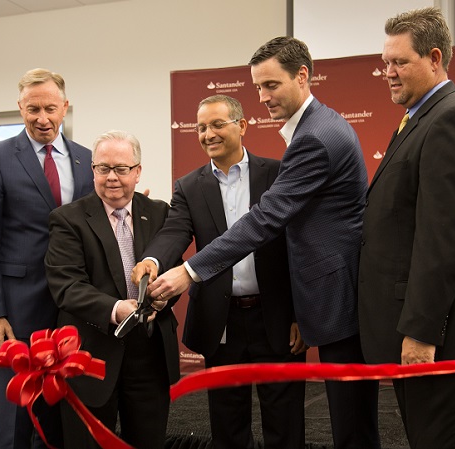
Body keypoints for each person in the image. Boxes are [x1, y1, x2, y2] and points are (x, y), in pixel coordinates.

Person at [147, 37, 381, 449]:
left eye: (271, 85)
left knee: (344, 425)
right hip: (232, 319)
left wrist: (189, 270)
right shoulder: (316, 128)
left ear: (302, 76)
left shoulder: (311, 138)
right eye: (257, 87)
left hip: (322, 301)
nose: (263, 96)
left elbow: (268, 221)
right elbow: (175, 230)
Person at [358, 7, 455, 449]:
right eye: (385, 62)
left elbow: (443, 242)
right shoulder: (420, 119)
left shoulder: (452, 119)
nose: (387, 72)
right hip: (428, 334)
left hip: (443, 340)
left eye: (398, 62)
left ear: (435, 57)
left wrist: (422, 333)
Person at [133, 94, 306, 449]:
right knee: (227, 424)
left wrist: (301, 315)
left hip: (276, 317)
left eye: (216, 124)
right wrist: (153, 260)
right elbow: (174, 232)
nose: (207, 133)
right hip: (221, 321)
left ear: (242, 126)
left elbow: (300, 247)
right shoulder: (189, 186)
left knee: (285, 422)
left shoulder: (277, 174)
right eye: (201, 127)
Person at [0, 68, 94, 449]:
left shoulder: (87, 160)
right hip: (15, 312)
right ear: (20, 107)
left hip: (72, 310)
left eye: (51, 108)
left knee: (61, 415)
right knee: (14, 420)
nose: (43, 118)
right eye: (33, 109)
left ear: (65, 107)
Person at [45, 131, 180, 448]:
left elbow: (174, 270)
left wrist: (163, 296)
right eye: (103, 168)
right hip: (91, 352)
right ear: (92, 171)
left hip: (149, 351)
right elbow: (66, 285)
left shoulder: (160, 213)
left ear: (137, 171)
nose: (112, 177)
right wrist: (116, 309)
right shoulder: (68, 219)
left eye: (121, 168)